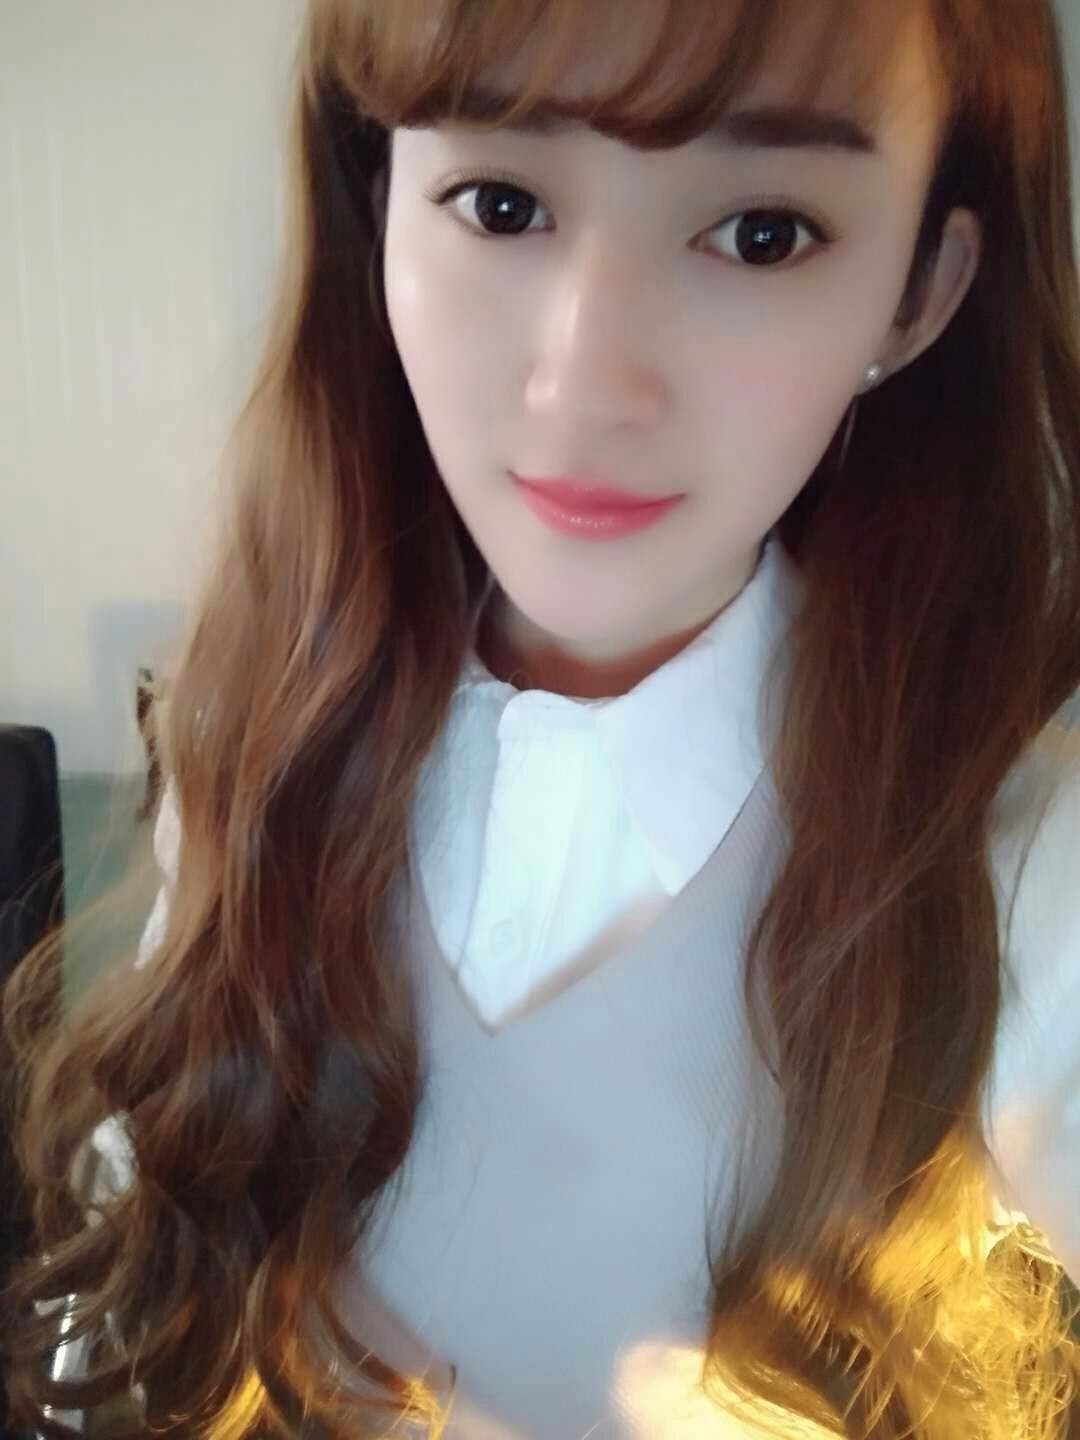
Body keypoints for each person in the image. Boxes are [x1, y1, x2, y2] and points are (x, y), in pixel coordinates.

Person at [5, 0, 1080, 1435]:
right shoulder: (250, 734)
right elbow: (128, 1278)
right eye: (502, 205)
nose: (585, 382)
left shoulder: (1020, 863)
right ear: (380, 205)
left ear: (920, 295)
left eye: (763, 233)